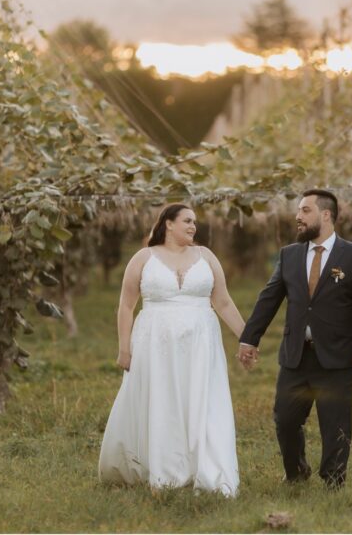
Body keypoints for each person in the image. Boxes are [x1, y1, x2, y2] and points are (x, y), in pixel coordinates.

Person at [98, 204, 246, 497]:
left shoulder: (206, 257)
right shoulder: (144, 258)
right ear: (168, 224)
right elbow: (126, 305)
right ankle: (164, 472)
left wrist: (247, 338)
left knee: (202, 403)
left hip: (200, 343)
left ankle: (208, 470)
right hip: (155, 343)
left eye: (195, 222)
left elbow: (224, 303)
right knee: (162, 401)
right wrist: (124, 349)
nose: (193, 226)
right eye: (187, 221)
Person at [238, 189, 352, 489]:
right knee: (285, 420)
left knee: (335, 424)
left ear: (325, 215)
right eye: (298, 211)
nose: (298, 217)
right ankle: (296, 472)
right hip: (295, 356)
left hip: (336, 356)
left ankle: (333, 481)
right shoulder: (289, 255)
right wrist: (249, 338)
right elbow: (269, 299)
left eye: (305, 210)